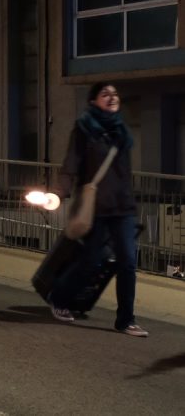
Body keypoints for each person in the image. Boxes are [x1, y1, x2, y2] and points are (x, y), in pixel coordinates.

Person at [50, 82, 146, 337]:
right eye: (105, 94)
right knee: (91, 262)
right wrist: (59, 192)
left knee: (127, 263)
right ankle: (59, 297)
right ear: (93, 101)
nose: (112, 97)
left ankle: (126, 320)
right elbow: (71, 163)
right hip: (96, 207)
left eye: (115, 94)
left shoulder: (121, 130)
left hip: (123, 206)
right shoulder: (84, 129)